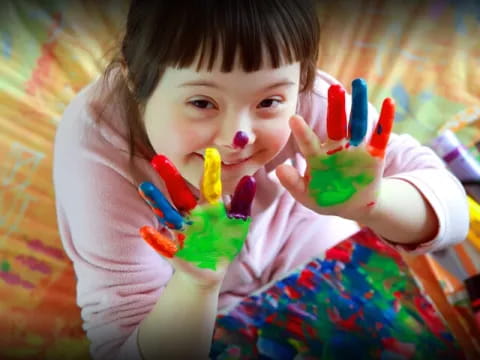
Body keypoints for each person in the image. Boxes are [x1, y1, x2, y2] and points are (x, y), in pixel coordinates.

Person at [52, 0, 469, 359]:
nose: (239, 137)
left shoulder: (313, 105)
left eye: (269, 100)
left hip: (315, 250)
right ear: (135, 80)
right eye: (202, 102)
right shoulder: (96, 151)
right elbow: (121, 344)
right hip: (186, 308)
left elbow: (453, 212)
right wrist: (196, 283)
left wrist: (373, 203)